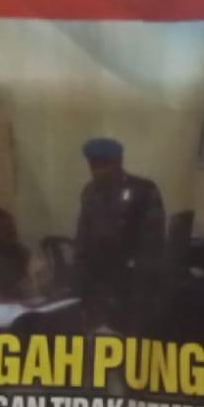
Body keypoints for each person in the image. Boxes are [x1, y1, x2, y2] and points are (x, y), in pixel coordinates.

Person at [74, 137, 166, 330]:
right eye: (94, 165)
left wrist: (139, 289)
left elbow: (151, 246)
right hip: (97, 284)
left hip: (131, 285)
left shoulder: (143, 191)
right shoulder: (90, 193)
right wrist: (80, 283)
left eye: (104, 165)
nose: (98, 171)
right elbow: (83, 240)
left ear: (118, 162)